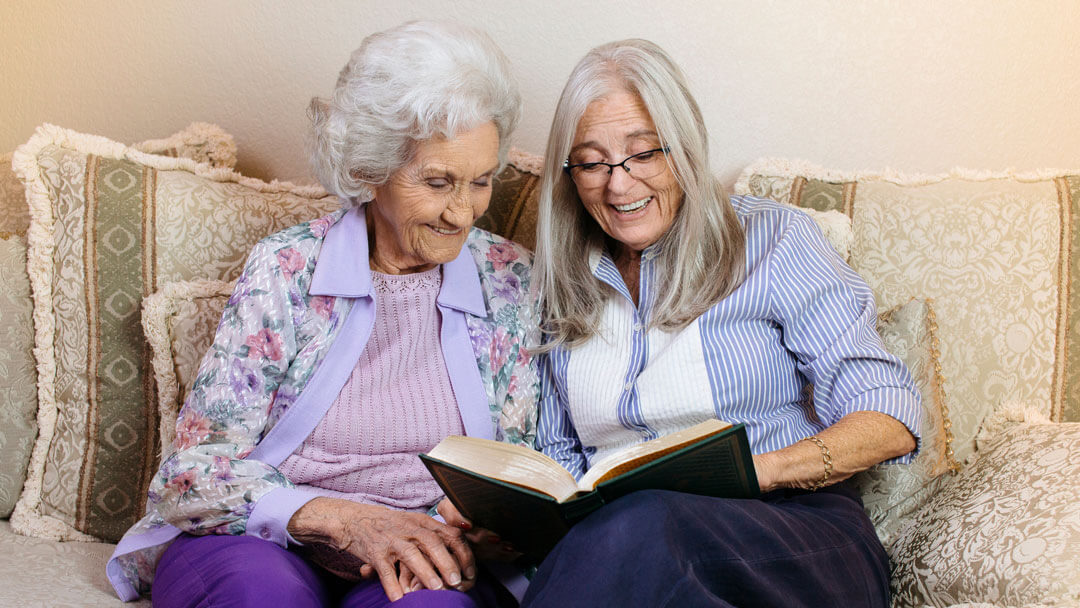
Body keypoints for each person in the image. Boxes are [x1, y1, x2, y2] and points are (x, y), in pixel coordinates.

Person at [106, 21, 538, 608]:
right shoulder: (287, 269)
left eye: (481, 182)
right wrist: (337, 518)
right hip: (268, 541)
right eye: (437, 182)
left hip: (422, 557)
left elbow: (532, 460)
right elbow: (192, 474)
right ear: (369, 169)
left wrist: (484, 518)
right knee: (259, 597)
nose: (462, 213)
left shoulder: (510, 278)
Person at [525, 39, 920, 607]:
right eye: (591, 162)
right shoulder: (560, 281)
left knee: (645, 519)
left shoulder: (774, 241)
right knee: (632, 540)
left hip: (795, 537)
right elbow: (558, 458)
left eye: (644, 154)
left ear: (684, 146)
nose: (618, 184)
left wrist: (758, 472)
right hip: (626, 559)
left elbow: (889, 417)